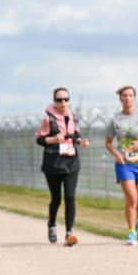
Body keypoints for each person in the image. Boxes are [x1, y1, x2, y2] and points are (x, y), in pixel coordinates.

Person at [104, 86, 138, 245]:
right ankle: (131, 232)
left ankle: (136, 220)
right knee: (132, 199)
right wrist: (116, 154)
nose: (127, 98)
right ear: (120, 99)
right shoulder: (116, 120)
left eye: (130, 95)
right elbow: (108, 143)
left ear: (134, 97)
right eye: (124, 96)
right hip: (124, 164)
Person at [35, 87, 90, 245]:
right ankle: (52, 224)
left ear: (69, 100)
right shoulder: (48, 119)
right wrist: (52, 140)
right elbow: (39, 140)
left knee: (70, 197)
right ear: (54, 101)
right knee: (56, 199)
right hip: (53, 162)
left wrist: (81, 142)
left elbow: (75, 136)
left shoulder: (74, 117)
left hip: (71, 161)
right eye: (59, 100)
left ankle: (69, 233)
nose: (63, 102)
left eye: (66, 99)